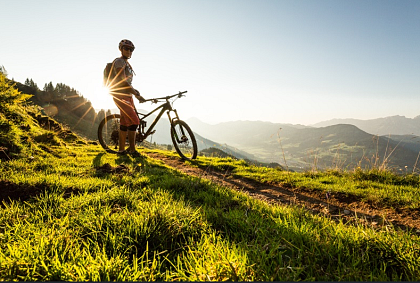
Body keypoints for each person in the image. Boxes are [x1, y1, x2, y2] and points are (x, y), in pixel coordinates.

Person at [109, 39, 146, 157]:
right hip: (120, 95)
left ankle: (121, 151)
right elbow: (122, 80)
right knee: (135, 121)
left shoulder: (126, 63)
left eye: (131, 49)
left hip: (127, 95)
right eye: (126, 49)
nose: (129, 51)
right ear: (121, 49)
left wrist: (135, 93)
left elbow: (128, 83)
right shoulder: (119, 62)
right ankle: (132, 150)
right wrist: (136, 93)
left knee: (125, 122)